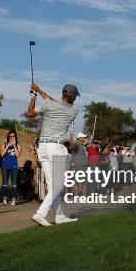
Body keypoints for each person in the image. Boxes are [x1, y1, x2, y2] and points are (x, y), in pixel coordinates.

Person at [26, 82, 79, 226]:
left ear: (62, 93)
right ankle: (40, 213)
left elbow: (30, 113)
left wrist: (33, 96)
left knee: (52, 185)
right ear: (73, 97)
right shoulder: (73, 111)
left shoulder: (48, 105)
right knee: (59, 185)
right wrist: (39, 91)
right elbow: (53, 102)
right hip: (56, 148)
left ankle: (60, 216)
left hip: (42, 147)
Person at [0, 129, 22, 206]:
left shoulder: (18, 145)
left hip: (14, 165)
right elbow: (2, 154)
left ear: (16, 137)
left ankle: (13, 199)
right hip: (5, 165)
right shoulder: (4, 144)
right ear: (8, 137)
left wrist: (14, 145)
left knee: (14, 184)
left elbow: (18, 155)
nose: (12, 138)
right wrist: (8, 145)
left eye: (13, 136)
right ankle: (5, 198)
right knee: (5, 183)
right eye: (10, 136)